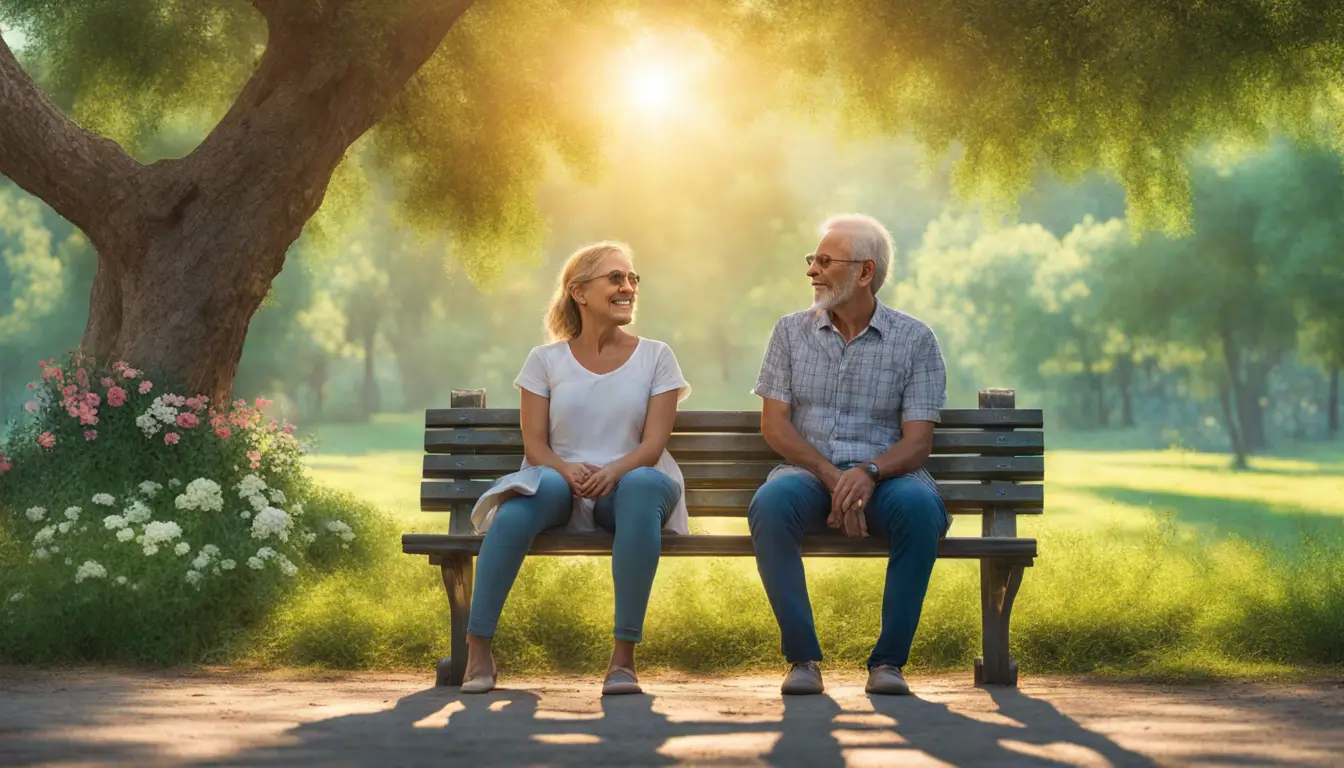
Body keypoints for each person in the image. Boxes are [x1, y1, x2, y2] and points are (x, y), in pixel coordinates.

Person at [460, 241, 691, 696]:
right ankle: (477, 648)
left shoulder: (657, 356)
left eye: (632, 279)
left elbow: (653, 445)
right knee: (521, 502)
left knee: (643, 484)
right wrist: (567, 472)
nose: (628, 287)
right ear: (579, 292)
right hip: (560, 482)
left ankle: (623, 659)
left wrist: (612, 473)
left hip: (630, 488)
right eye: (615, 278)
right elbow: (536, 444)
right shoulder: (544, 361)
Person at [748, 213, 951, 696]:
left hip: (888, 479)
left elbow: (918, 442)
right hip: (807, 474)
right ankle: (802, 660)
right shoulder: (789, 332)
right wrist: (831, 475)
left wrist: (868, 473)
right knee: (770, 505)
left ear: (864, 271)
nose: (812, 271)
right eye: (811, 259)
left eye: (825, 261)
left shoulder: (915, 340)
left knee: (922, 510)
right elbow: (774, 424)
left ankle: (888, 664)